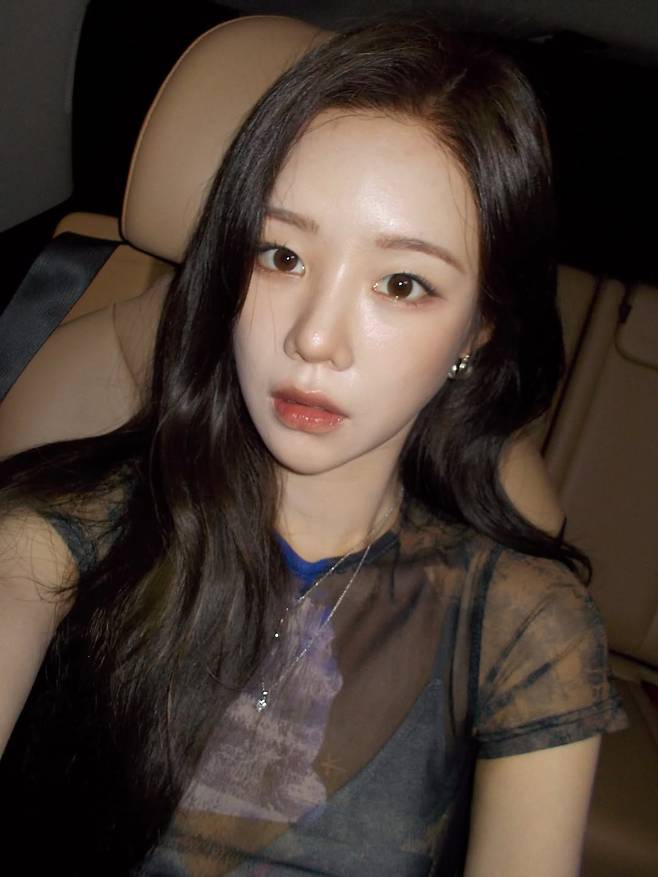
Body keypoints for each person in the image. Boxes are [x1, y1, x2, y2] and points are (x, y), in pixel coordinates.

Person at [0, 13, 627, 877]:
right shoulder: (54, 539)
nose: (315, 339)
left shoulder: (522, 626)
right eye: (281, 255)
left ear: (478, 329)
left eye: (401, 282)